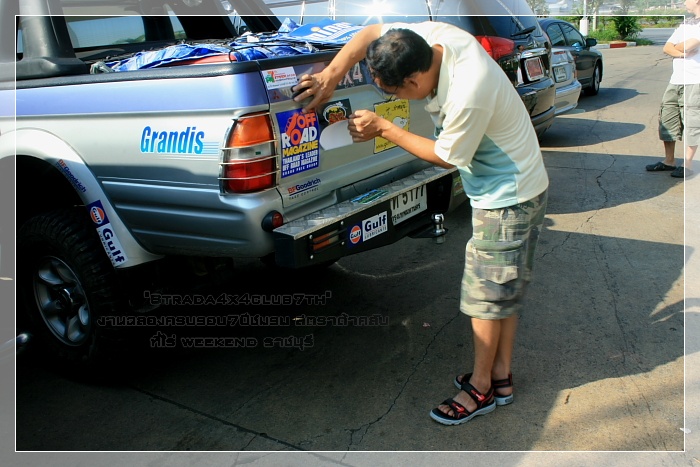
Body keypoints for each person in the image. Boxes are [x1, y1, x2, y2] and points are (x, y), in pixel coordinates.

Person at [292, 21, 549, 425]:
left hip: (507, 197)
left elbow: (446, 156)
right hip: (516, 184)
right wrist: (331, 75)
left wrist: (385, 127)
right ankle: (500, 377)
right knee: (502, 289)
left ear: (413, 80)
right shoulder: (428, 40)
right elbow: (371, 32)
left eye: (394, 93)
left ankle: (480, 388)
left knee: (485, 298)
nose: (396, 99)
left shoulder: (468, 90)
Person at [648, 0, 700, 178]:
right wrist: (682, 53)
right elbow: (667, 48)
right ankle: (669, 161)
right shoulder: (686, 24)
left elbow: (688, 44)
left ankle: (688, 165)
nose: (685, 2)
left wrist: (679, 48)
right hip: (676, 80)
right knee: (668, 118)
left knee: (692, 122)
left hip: (695, 81)